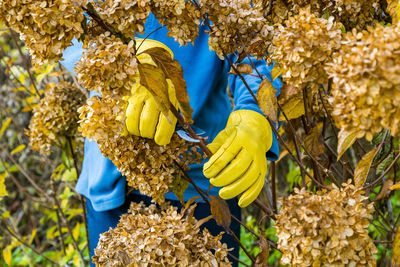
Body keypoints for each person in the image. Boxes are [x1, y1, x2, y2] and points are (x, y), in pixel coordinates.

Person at [62, 12, 281, 267]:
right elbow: (67, 23)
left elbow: (255, 42)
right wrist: (123, 63)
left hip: (204, 180)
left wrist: (255, 114)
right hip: (113, 180)